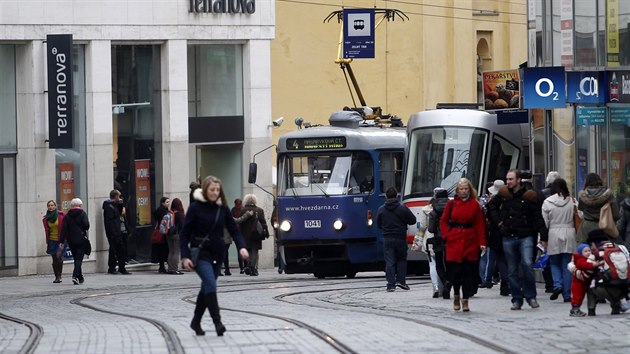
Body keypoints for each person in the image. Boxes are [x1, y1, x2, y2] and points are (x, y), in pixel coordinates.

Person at [180, 175, 249, 336]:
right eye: (212, 189)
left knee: (206, 287)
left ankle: (196, 321)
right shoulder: (195, 208)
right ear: (205, 190)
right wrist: (185, 256)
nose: (215, 192)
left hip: (218, 253)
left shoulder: (222, 208)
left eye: (218, 189)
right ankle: (217, 322)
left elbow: (234, 230)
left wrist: (242, 247)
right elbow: (184, 234)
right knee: (210, 283)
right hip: (200, 253)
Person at [488, 169, 547, 310]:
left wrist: (543, 235)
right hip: (508, 235)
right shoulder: (503, 193)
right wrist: (499, 223)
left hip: (525, 235)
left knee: (527, 264)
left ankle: (531, 296)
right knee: (512, 269)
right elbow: (491, 206)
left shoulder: (529, 195)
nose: (508, 182)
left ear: (518, 180)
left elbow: (537, 216)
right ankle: (516, 298)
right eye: (507, 179)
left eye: (510, 179)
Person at [440, 178, 486, 311]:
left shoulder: (475, 205)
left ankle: (465, 299)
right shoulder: (451, 204)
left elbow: (479, 224)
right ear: (457, 191)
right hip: (454, 239)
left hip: (469, 240)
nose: (464, 191)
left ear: (469, 190)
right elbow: (443, 221)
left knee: (467, 272)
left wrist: (482, 242)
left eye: (466, 189)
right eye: (461, 189)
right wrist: (446, 235)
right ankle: (456, 295)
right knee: (455, 272)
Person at [541, 178, 577, 303]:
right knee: (566, 264)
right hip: (569, 232)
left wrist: (543, 239)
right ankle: (567, 294)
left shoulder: (547, 202)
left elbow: (544, 222)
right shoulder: (572, 201)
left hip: (554, 233)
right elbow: (580, 216)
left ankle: (557, 285)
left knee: (554, 263)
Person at [376, 187, 416, 292]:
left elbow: (378, 224)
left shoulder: (381, 209)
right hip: (401, 238)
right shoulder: (403, 208)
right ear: (396, 196)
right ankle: (401, 281)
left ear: (386, 197)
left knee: (390, 261)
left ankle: (390, 285)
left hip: (387, 238)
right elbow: (413, 220)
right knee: (401, 260)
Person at [585, 229, 629, 316]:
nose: (591, 248)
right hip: (624, 285)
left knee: (591, 286)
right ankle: (616, 305)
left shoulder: (596, 253)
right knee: (612, 284)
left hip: (607, 287)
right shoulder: (620, 247)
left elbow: (587, 269)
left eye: (591, 245)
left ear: (594, 243)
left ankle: (591, 310)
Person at [576, 173, 620, 243]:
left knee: (587, 250)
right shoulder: (608, 195)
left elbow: (581, 209)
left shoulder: (582, 196)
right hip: (605, 229)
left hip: (586, 230)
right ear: (600, 181)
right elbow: (616, 214)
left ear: (586, 182)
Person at [478, 180, 504, 290]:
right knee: (502, 259)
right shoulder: (507, 199)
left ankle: (487, 279)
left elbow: (486, 216)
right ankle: (501, 280)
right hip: (504, 233)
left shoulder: (489, 202)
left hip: (492, 233)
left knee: (490, 257)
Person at [541, 171, 561, 293]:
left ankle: (550, 284)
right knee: (563, 258)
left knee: (548, 256)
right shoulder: (566, 196)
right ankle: (561, 284)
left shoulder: (542, 194)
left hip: (548, 229)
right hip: (565, 230)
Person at [61, 198, 90, 285]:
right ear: (80, 205)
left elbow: (64, 229)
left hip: (71, 240)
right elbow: (86, 225)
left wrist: (61, 241)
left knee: (76, 259)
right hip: (81, 239)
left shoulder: (67, 215)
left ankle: (80, 277)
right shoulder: (83, 214)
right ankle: (75, 276)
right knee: (79, 259)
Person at [567, 243, 601, 317]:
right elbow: (581, 265)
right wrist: (593, 265)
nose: (588, 252)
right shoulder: (580, 259)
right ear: (580, 253)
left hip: (584, 283)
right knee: (577, 296)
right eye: (585, 251)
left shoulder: (589, 259)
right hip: (578, 283)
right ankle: (575, 309)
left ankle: (576, 309)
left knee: (581, 297)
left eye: (589, 251)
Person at [240, 194, 269, 276]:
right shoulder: (259, 210)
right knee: (255, 251)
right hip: (256, 234)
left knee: (248, 250)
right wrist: (266, 232)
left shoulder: (242, 210)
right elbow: (263, 223)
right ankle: (253, 267)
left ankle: (249, 266)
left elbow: (240, 223)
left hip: (245, 234)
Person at [103, 189, 131, 275]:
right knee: (113, 250)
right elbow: (110, 222)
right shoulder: (109, 207)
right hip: (113, 232)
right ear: (116, 196)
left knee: (121, 249)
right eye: (119, 196)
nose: (120, 197)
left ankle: (121, 267)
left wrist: (121, 204)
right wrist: (113, 233)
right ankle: (112, 268)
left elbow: (119, 213)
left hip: (118, 231)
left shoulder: (114, 205)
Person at [43, 200, 66, 283]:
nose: (50, 207)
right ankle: (56, 276)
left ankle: (60, 275)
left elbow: (65, 227)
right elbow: (47, 230)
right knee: (54, 259)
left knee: (59, 257)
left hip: (61, 240)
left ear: (55, 206)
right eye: (49, 205)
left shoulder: (61, 215)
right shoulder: (46, 218)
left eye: (52, 205)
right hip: (51, 240)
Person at [166, 198, 185, 275]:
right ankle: (175, 269)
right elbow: (183, 225)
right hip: (177, 234)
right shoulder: (180, 214)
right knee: (176, 252)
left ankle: (170, 269)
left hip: (168, 234)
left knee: (171, 251)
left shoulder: (169, 213)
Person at [152, 197, 170, 273]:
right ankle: (162, 267)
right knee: (163, 250)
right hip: (162, 232)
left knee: (162, 250)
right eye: (167, 202)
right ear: (162, 203)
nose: (168, 203)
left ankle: (162, 266)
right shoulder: (162, 211)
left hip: (161, 231)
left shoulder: (162, 210)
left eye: (169, 202)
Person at [228, 198, 246, 274]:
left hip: (236, 233)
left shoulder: (232, 210)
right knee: (244, 249)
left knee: (239, 250)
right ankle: (244, 267)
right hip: (242, 233)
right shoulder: (244, 210)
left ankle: (242, 268)